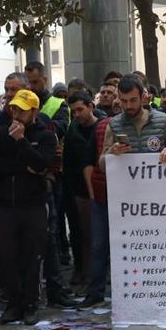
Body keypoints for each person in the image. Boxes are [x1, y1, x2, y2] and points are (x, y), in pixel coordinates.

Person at [82, 75, 166, 309]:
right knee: (112, 247)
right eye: (124, 101)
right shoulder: (114, 124)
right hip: (124, 201)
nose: (128, 106)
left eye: (133, 100)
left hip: (155, 201)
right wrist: (113, 153)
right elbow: (102, 163)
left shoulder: (161, 120)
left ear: (144, 96)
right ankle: (106, 294)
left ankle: (158, 293)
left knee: (154, 248)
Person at [0, 89, 58, 325]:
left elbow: (42, 164)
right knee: (6, 256)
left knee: (33, 256)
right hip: (5, 205)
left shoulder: (45, 135)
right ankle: (13, 304)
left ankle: (30, 304)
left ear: (34, 112)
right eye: (13, 108)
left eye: (21, 110)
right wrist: (25, 166)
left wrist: (22, 143)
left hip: (34, 205)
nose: (15, 113)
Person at [63, 90, 104, 289]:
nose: (77, 114)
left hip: (100, 190)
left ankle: (97, 274)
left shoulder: (103, 127)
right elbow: (68, 162)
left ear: (90, 106)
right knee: (80, 234)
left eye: (80, 109)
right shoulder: (72, 130)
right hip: (77, 190)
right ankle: (82, 270)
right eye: (73, 111)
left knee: (97, 236)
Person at [24, 61, 70, 137]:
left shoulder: (60, 105)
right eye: (28, 82)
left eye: (35, 82)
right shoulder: (21, 102)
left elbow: (59, 130)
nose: (30, 86)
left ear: (44, 80)